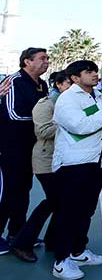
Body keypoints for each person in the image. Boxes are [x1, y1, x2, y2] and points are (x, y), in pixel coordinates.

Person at [51, 60, 102, 280]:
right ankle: (61, 260)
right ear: (75, 78)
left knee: (86, 210)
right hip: (75, 165)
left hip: (97, 162)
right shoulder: (68, 100)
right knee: (69, 212)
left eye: (95, 70)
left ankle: (78, 251)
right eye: (88, 71)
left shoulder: (97, 96)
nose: (95, 74)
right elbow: (81, 126)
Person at [10, 71, 71, 262]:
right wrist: (69, 122)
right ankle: (22, 243)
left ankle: (52, 240)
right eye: (69, 83)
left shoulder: (67, 103)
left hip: (61, 159)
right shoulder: (47, 104)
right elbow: (43, 131)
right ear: (59, 84)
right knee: (53, 201)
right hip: (45, 159)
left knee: (60, 201)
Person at [0, 47, 49, 255]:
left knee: (24, 190)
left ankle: (16, 232)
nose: (46, 61)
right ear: (27, 62)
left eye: (48, 58)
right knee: (9, 192)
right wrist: (42, 123)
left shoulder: (42, 84)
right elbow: (13, 114)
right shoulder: (14, 82)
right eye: (42, 58)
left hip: (31, 147)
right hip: (11, 147)